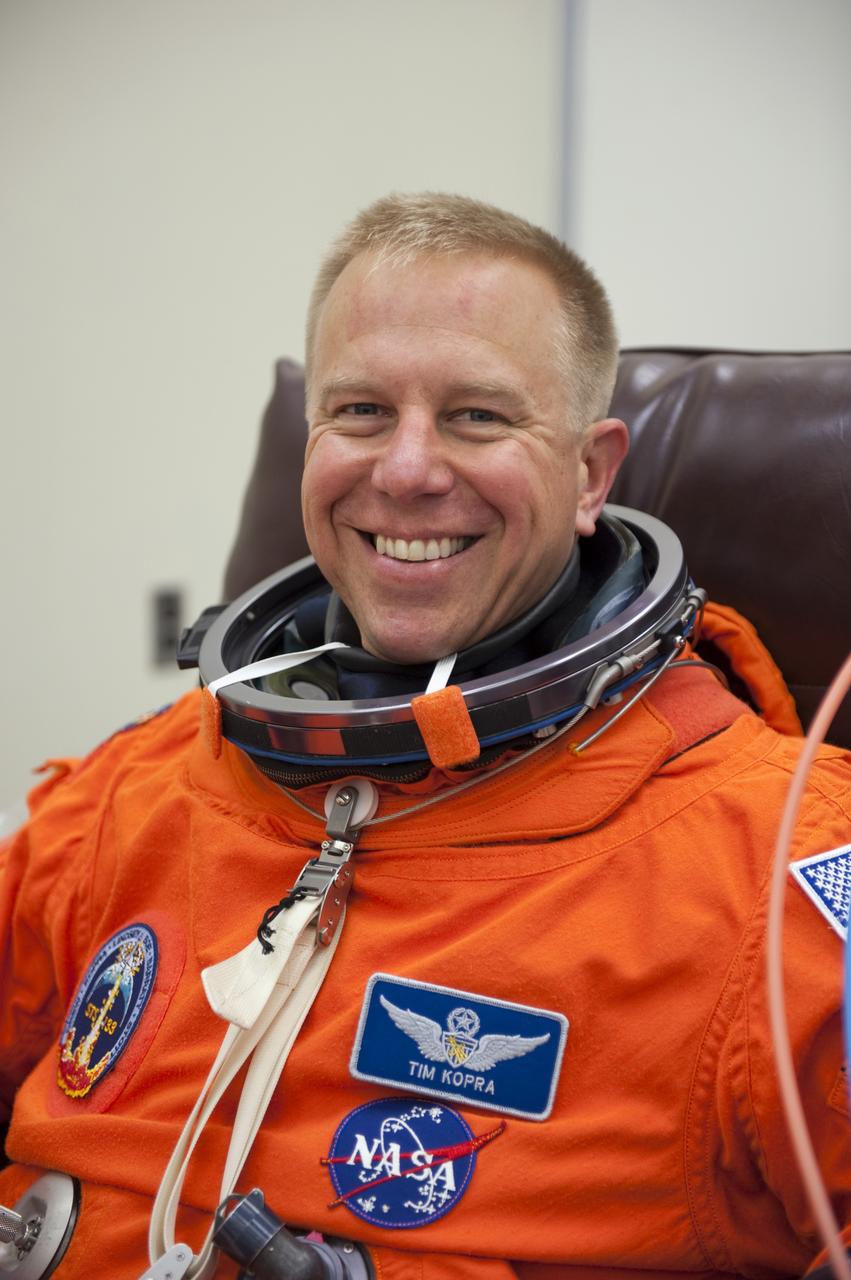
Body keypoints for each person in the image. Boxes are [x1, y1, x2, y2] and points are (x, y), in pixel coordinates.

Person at [1, 193, 850, 1280]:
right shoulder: (146, 784)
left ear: (591, 473)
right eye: (357, 410)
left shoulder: (776, 871)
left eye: (476, 417)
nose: (404, 470)